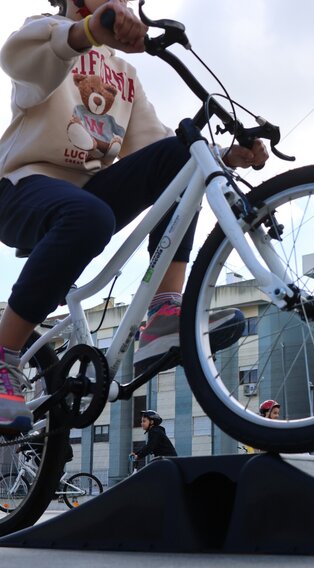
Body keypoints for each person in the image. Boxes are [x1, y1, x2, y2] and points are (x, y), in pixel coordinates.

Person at [0, 0, 268, 434]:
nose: (122, 4)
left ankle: (163, 311)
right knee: (90, 215)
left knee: (184, 155)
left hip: (89, 198)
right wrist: (89, 31)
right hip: (21, 188)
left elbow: (153, 148)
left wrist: (224, 155)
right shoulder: (47, 31)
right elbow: (20, 60)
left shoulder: (123, 74)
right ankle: (3, 352)